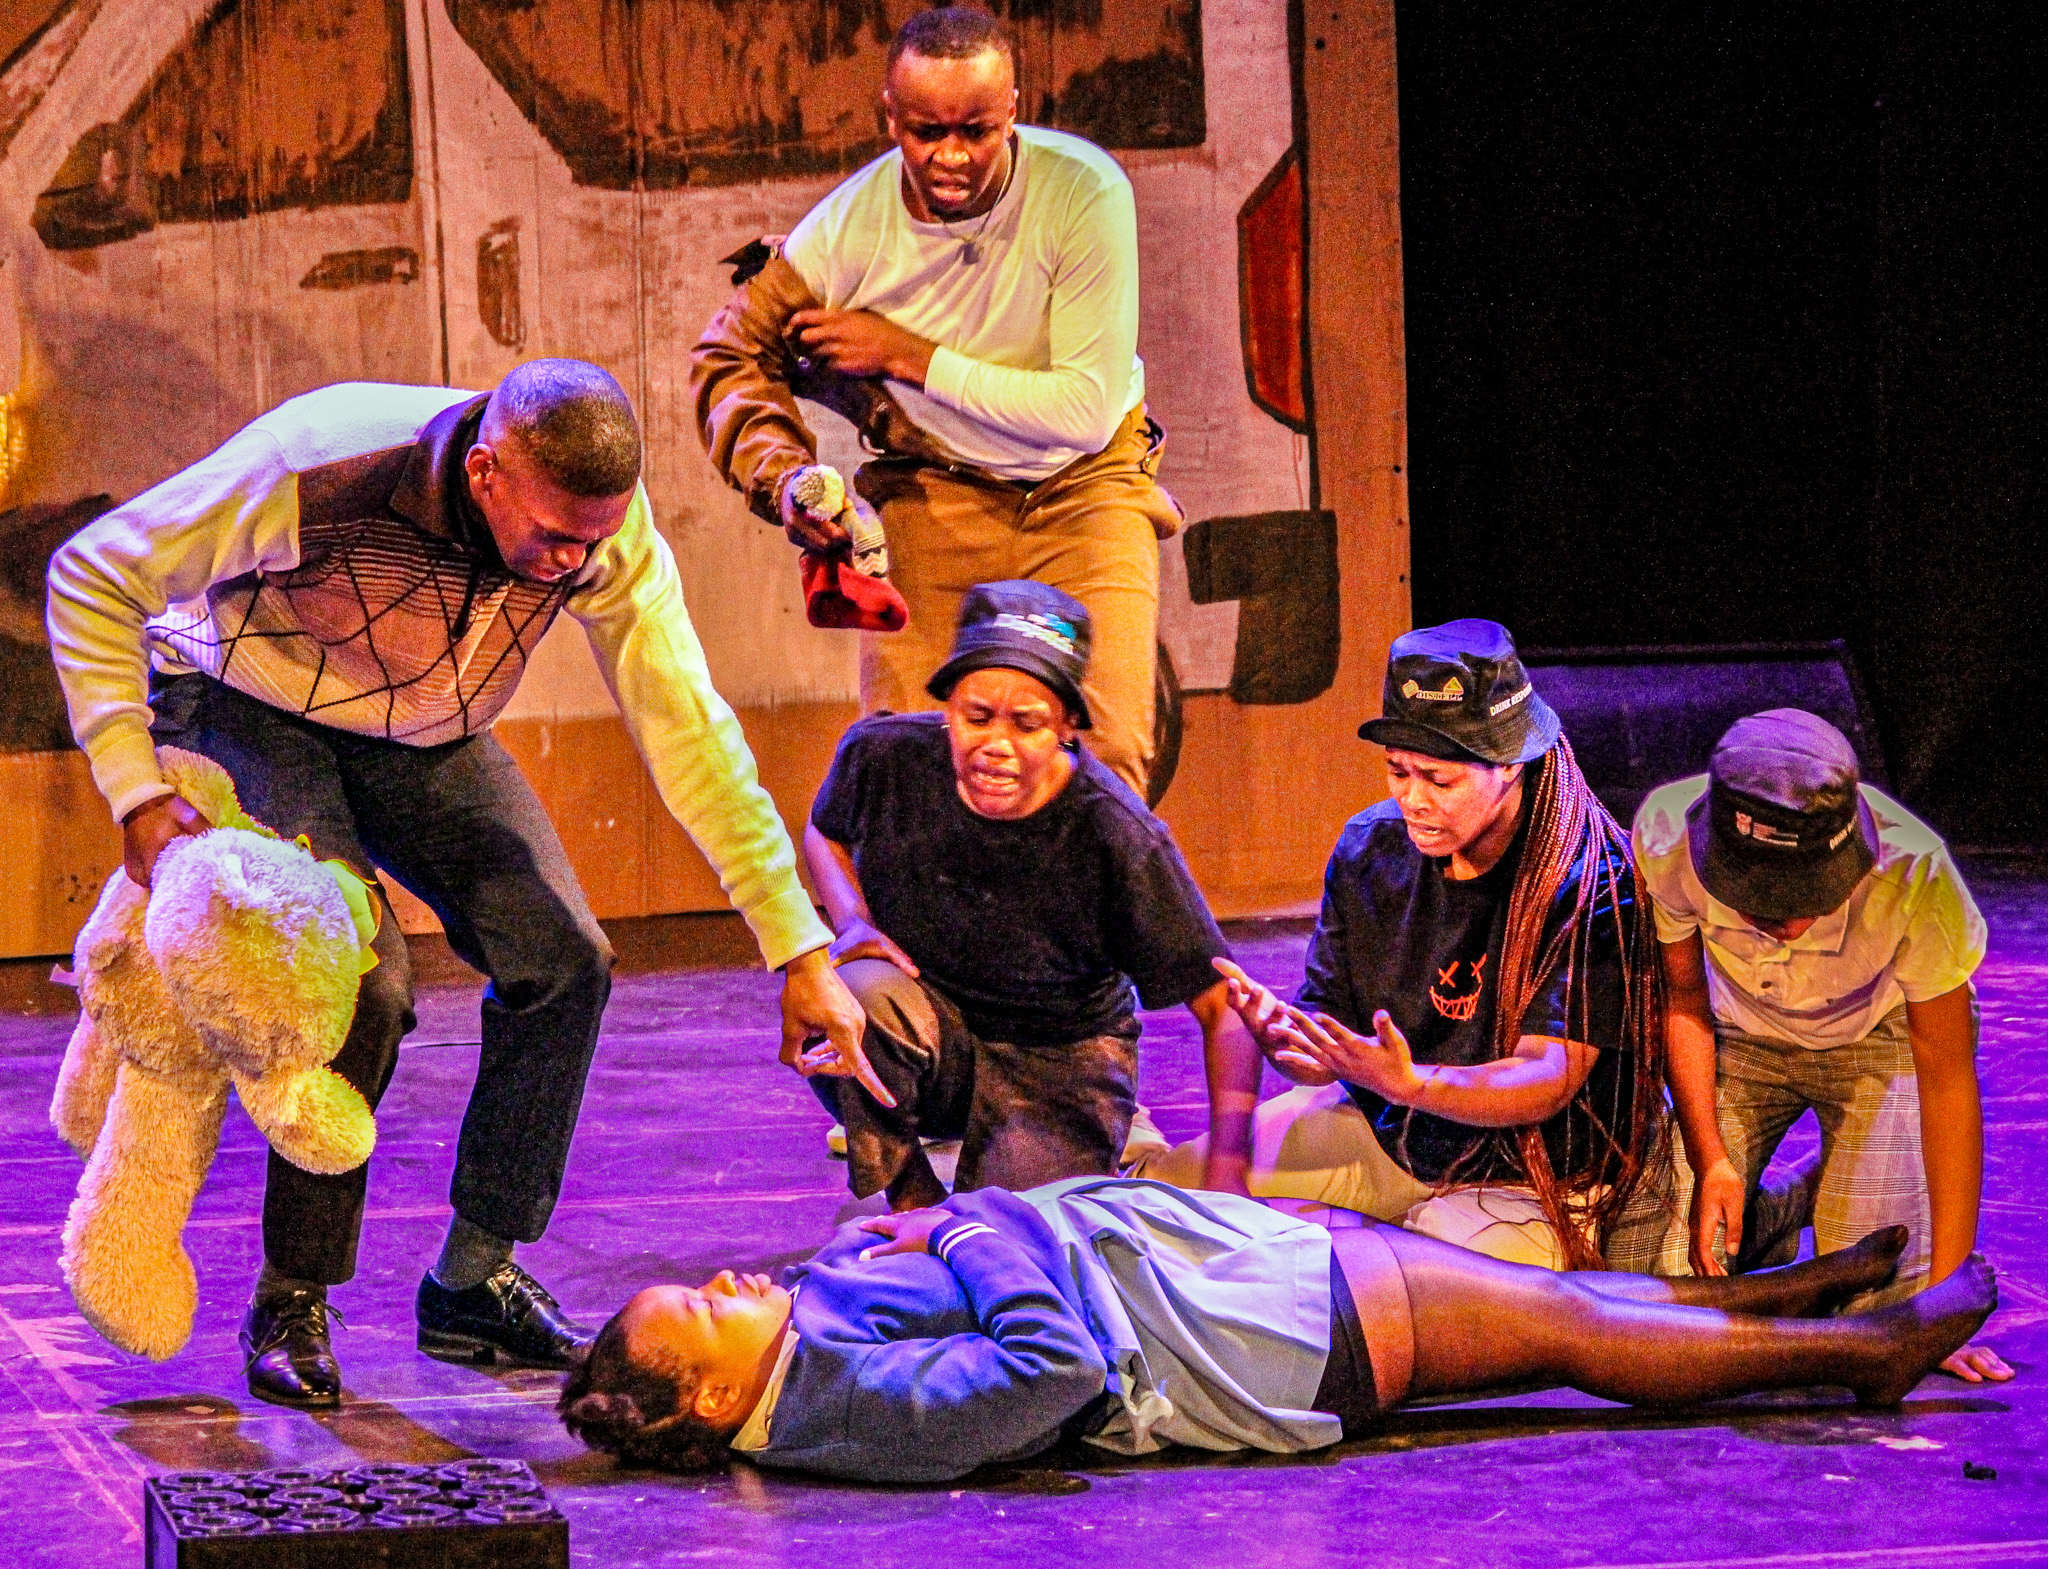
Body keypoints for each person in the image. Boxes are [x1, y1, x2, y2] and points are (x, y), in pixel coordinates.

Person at [44, 362, 873, 1409]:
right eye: (555, 538)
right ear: (485, 472)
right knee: (356, 980)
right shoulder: (321, 463)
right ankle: (293, 1295)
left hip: (423, 734)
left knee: (565, 958)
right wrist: (132, 791)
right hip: (242, 700)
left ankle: (473, 1282)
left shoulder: (601, 536)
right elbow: (91, 573)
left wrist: (797, 952)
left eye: (593, 540)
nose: (575, 562)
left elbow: (689, 732)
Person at [557, 1175, 1995, 1482]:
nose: (731, 1280)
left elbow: (890, 1271)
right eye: (705, 1307)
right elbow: (1048, 1368)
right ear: (701, 1401)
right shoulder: (854, 1415)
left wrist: (898, 1230)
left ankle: (1788, 1297)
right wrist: (980, 1224)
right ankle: (1854, 1357)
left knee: (1558, 1313)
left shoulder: (805, 1350)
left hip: (1224, 1285)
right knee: (1558, 1325)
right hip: (1250, 1336)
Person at [689, 5, 1181, 796]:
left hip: (1085, 489)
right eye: (926, 131)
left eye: (977, 131)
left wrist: (905, 356)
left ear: (1014, 111)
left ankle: (1075, 922)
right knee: (903, 765)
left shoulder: (1082, 193)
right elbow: (730, 355)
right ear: (890, 117)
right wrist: (784, 479)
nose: (951, 156)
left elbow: (1083, 412)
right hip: (937, 490)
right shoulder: (847, 230)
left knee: (1107, 753)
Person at [1133, 619, 1670, 1271]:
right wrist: (1294, 1044)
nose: (1412, 799)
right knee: (1163, 1200)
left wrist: (1413, 1081)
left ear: (1508, 763)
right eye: (1397, 771)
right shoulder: (1370, 848)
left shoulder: (1587, 875)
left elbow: (1546, 1076)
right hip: (1394, 1140)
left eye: (1439, 780)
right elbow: (1330, 1051)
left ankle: (1360, 1248)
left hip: (1523, 1179)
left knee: (1451, 1294)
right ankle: (1360, 1243)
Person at [802, 579, 1258, 1210]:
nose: (997, 745)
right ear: (948, 708)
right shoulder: (885, 758)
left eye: (1028, 724)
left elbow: (1224, 1008)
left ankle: (1088, 1166)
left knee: (1013, 1241)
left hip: (1057, 1062)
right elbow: (824, 830)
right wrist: (850, 921)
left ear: (1068, 727)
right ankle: (912, 1195)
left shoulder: (1114, 833)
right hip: (938, 1030)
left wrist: (1230, 1172)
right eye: (976, 716)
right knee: (843, 994)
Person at [1633, 709, 2012, 1381]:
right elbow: (1684, 1004)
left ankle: (1835, 1181)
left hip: (1878, 1039)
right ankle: (1777, 1206)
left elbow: (1948, 1080)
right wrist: (1712, 1156)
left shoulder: (1914, 874)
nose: (1775, 923)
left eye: (1791, 901)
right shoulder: (1667, 836)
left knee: (1871, 1312)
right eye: (1752, 899)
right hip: (1745, 1038)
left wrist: (1943, 1310)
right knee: (1655, 1279)